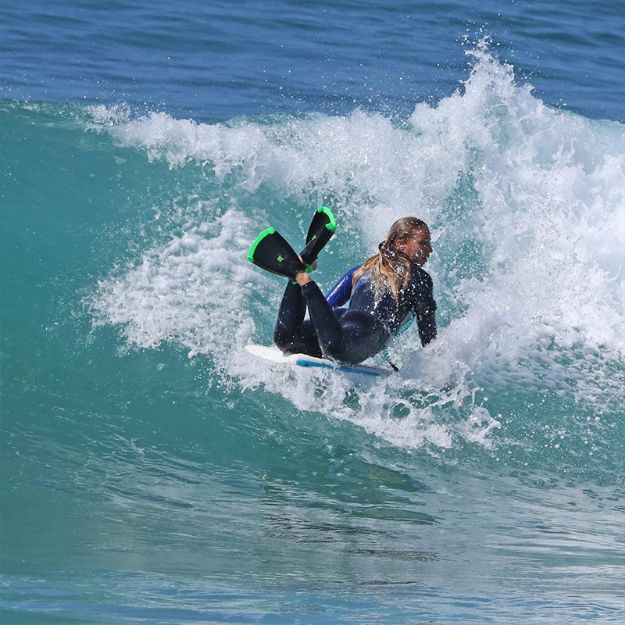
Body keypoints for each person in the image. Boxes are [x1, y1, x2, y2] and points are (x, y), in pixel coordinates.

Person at [248, 212, 437, 366]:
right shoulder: (419, 278)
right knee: (335, 348)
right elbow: (428, 333)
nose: (429, 250)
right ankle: (302, 278)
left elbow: (325, 310)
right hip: (367, 331)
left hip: (341, 320)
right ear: (400, 243)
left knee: (286, 340)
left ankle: (299, 272)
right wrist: (435, 371)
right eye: (423, 243)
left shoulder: (361, 270)